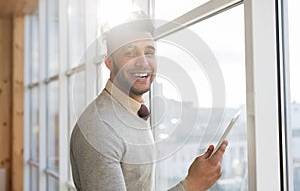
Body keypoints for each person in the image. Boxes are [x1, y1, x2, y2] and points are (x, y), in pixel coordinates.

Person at [70, 13, 228, 191]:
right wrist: (191, 185)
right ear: (109, 62)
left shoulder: (130, 112)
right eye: (130, 53)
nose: (143, 62)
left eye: (149, 52)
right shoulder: (100, 129)